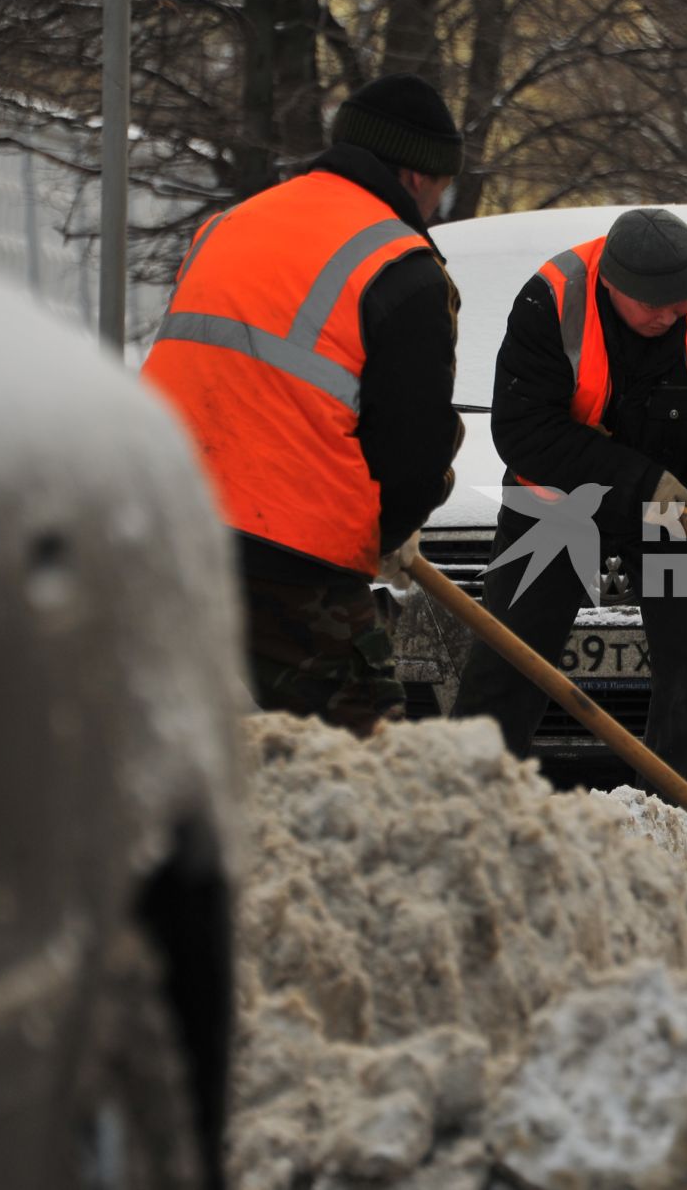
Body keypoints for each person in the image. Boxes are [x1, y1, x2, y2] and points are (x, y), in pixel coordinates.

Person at [143, 72, 464, 736]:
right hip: (292, 560)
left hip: (166, 520)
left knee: (171, 750)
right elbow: (414, 449)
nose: (438, 205)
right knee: (363, 765)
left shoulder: (231, 223)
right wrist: (388, 530)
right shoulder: (403, 268)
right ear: (415, 177)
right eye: (442, 187)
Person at [454, 208, 687, 789]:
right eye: (651, 304)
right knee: (510, 658)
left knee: (685, 673)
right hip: (557, 506)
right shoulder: (551, 299)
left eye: (677, 302)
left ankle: (671, 808)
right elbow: (525, 429)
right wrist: (643, 485)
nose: (667, 316)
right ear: (611, 284)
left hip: (679, 517)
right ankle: (462, 799)